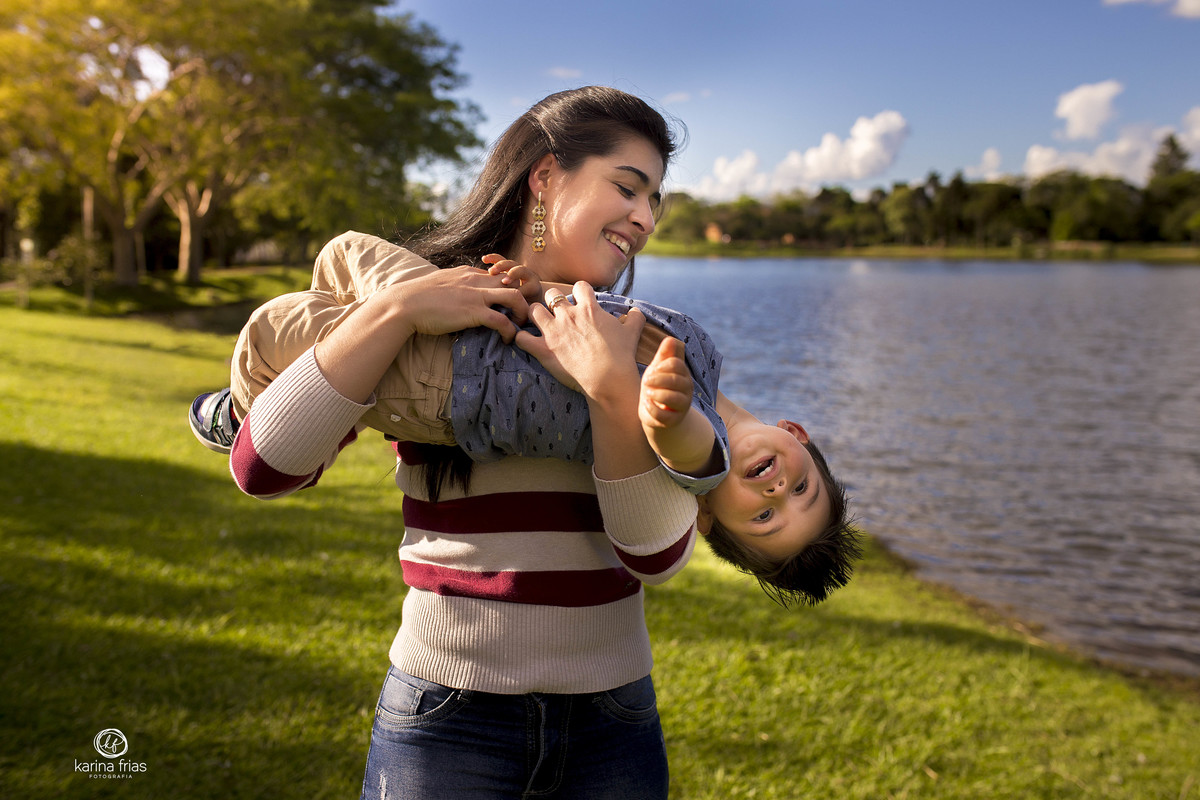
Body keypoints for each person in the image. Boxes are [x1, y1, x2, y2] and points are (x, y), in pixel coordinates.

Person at [221, 86, 696, 800]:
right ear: (545, 175)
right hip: (446, 717)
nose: (644, 216)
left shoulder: (637, 338)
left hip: (613, 722)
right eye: (628, 187)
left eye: (655, 200)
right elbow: (265, 468)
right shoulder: (424, 308)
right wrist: (398, 308)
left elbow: (656, 557)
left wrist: (609, 390)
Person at [192, 230, 860, 605]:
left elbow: (688, 446)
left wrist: (655, 403)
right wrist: (534, 286)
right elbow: (588, 312)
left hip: (454, 387)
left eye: (766, 518)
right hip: (486, 324)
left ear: (709, 517)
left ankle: (246, 410)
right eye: (801, 491)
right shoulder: (704, 352)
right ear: (797, 433)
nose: (777, 492)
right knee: (343, 254)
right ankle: (333, 399)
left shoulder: (696, 451)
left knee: (273, 327)